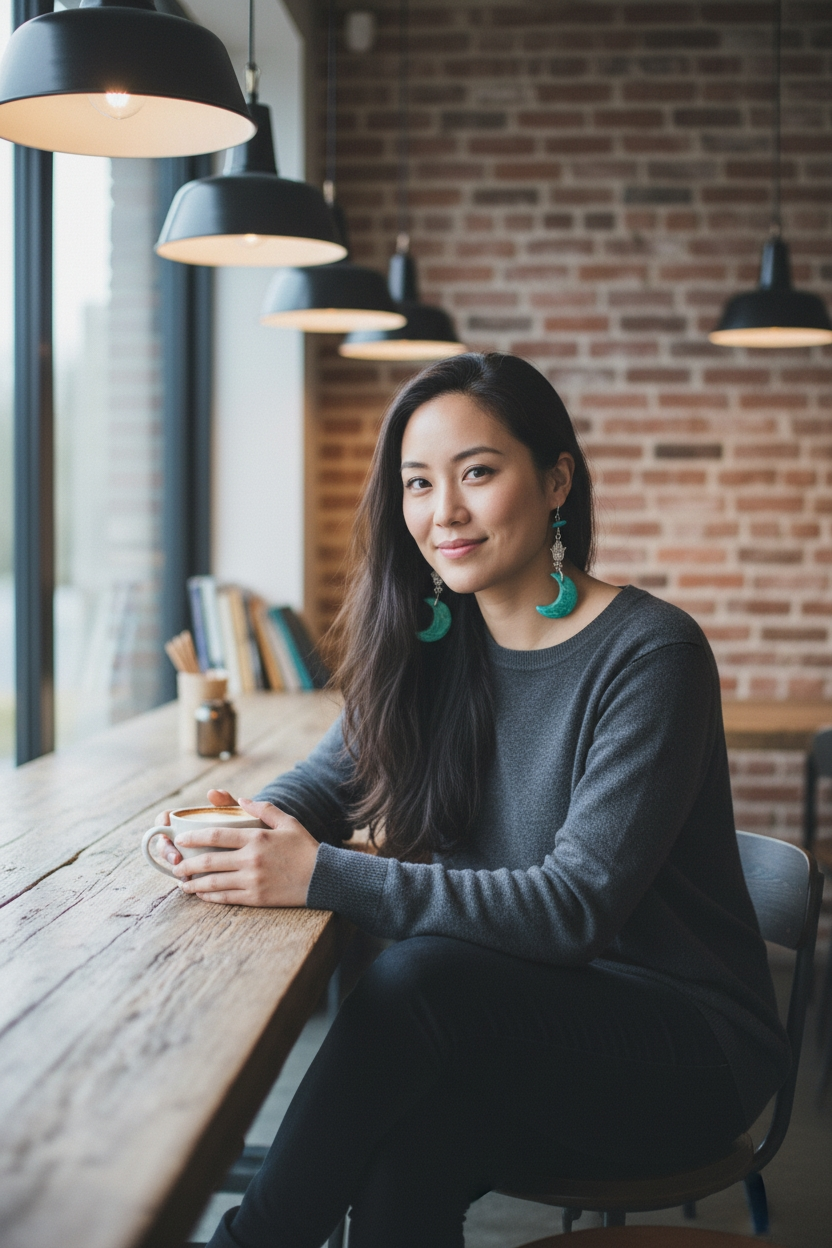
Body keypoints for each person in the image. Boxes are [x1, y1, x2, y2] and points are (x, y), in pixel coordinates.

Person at [155, 353, 789, 1248]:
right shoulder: (435, 644)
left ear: (556, 480)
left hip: (684, 1052)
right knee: (405, 1154)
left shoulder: (653, 655)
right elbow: (326, 784)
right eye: (418, 483)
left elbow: (571, 911)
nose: (442, 511)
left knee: (414, 978)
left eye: (477, 473)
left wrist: (317, 873)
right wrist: (235, 828)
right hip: (518, 1021)